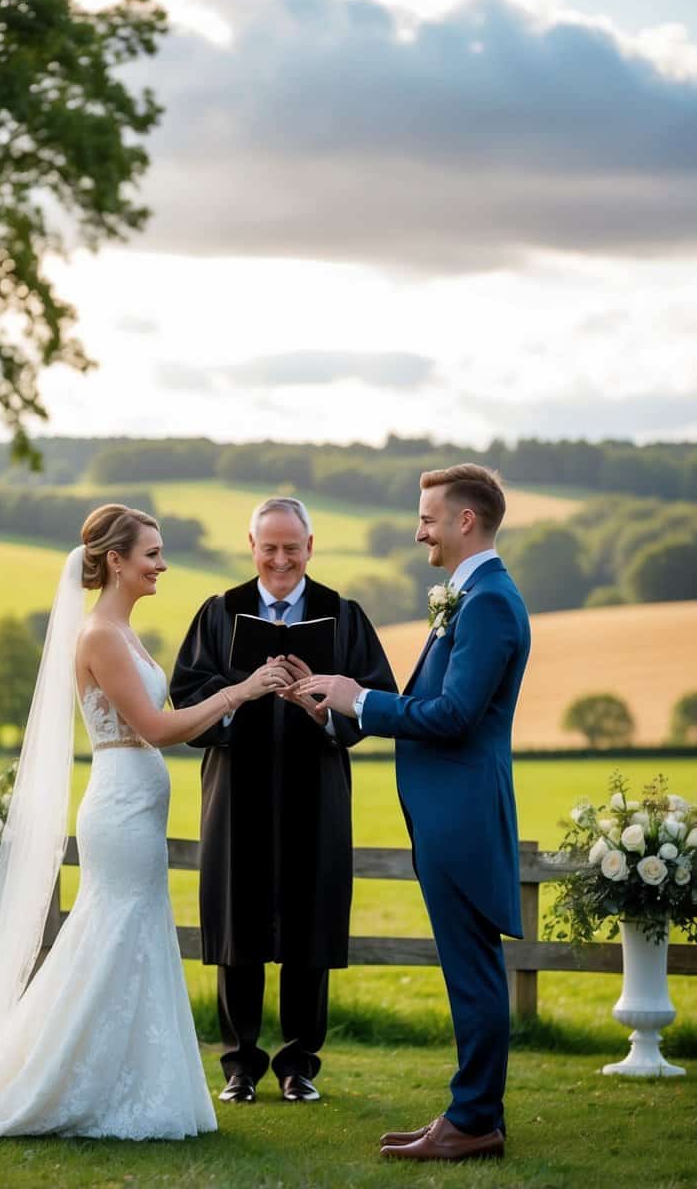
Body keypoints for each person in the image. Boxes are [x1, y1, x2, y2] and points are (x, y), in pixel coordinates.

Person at [0, 503, 291, 1148]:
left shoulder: (125, 633)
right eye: (151, 553)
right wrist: (241, 692)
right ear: (116, 561)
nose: (162, 564)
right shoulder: (98, 635)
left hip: (139, 805)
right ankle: (55, 1081)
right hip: (119, 809)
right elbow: (155, 730)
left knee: (134, 936)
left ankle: (132, 1080)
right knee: (109, 934)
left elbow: (166, 720)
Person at [299, 465, 531, 1161]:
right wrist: (336, 708)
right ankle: (467, 1113)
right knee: (468, 967)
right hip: (445, 809)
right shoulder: (471, 595)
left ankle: (473, 1121)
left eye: (428, 516)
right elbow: (435, 703)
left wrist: (359, 698)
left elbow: (455, 715)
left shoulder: (487, 601)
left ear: (466, 521)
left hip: (459, 812)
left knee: (471, 969)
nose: (417, 528)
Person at [170, 497, 396, 1105]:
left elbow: (378, 699)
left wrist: (326, 711)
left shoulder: (342, 616)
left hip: (314, 788)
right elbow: (187, 696)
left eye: (291, 548)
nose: (279, 559)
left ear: (310, 547)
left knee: (309, 923)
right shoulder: (220, 614)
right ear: (252, 546)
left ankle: (300, 1065)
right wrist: (241, 692)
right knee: (236, 922)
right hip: (236, 788)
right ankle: (239, 1065)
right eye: (268, 547)